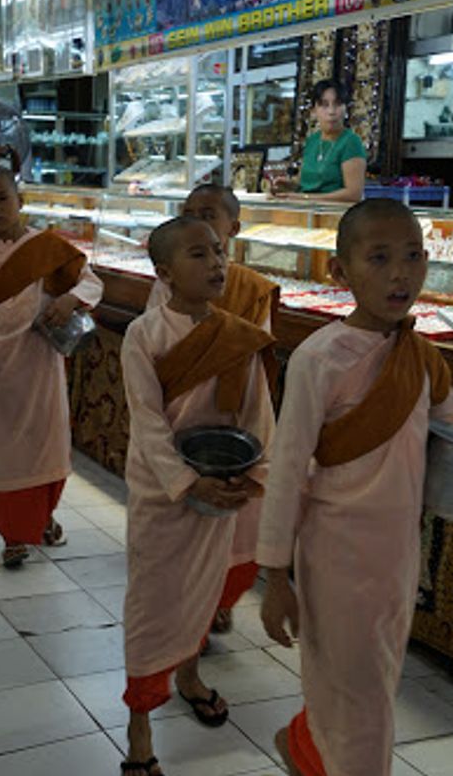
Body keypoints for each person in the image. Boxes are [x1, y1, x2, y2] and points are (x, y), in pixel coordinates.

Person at [257, 198, 453, 776]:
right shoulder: (318, 359)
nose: (400, 274)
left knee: (369, 684)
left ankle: (306, 747)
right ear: (340, 271)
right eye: (379, 258)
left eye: (412, 256)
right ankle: (321, 753)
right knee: (362, 701)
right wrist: (274, 576)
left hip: (398, 556)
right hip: (334, 555)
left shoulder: (423, 357)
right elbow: (286, 470)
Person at [118, 216, 275, 776]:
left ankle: (188, 674)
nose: (215, 264)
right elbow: (147, 422)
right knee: (153, 602)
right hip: (162, 492)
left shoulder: (239, 336)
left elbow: (257, 415)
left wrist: (253, 477)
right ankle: (139, 726)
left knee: (204, 590)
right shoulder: (144, 335)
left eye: (218, 252)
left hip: (222, 485)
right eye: (198, 255)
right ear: (164, 273)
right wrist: (186, 483)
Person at [145, 184, 279, 635]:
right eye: (188, 212)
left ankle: (220, 601)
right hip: (179, 423)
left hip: (235, 425)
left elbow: (253, 353)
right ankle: (189, 618)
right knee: (185, 535)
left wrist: (261, 457)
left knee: (239, 528)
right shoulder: (162, 291)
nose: (196, 220)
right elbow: (159, 346)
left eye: (208, 215)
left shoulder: (252, 290)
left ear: (233, 229)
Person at [0, 166, 103, 566]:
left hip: (43, 364)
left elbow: (92, 282)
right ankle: (13, 535)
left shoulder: (48, 246)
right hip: (1, 368)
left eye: (2, 198)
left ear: (20, 200)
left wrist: (70, 299)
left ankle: (43, 517)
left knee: (49, 449)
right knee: (9, 454)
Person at [273, 79, 366, 203]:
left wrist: (305, 198)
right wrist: (290, 185)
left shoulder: (351, 142)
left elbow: (353, 194)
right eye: (324, 105)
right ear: (314, 110)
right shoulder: (312, 140)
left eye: (337, 104)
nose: (331, 112)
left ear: (346, 109)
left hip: (334, 212)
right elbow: (306, 183)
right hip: (306, 209)